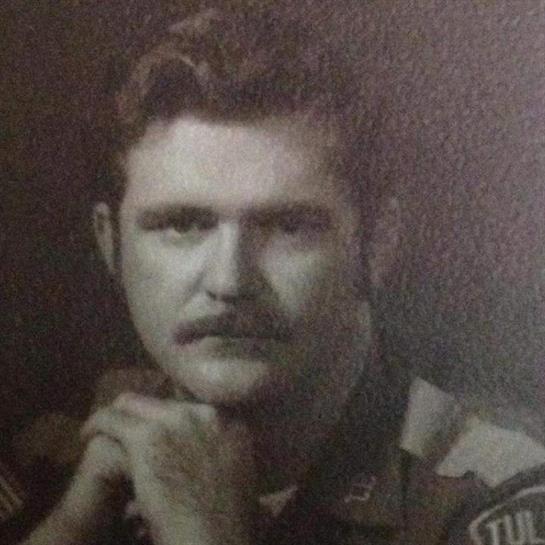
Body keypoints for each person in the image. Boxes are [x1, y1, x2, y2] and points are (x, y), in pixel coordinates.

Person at [6, 3, 545, 545]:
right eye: (183, 225)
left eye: (289, 226)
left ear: (376, 246)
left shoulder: (500, 494)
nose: (229, 282)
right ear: (111, 245)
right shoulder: (50, 466)